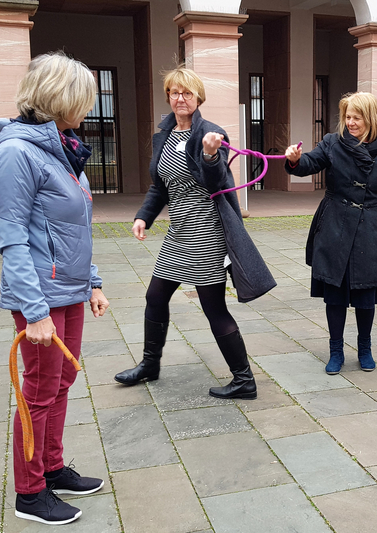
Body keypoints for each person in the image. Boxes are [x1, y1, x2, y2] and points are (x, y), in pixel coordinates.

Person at [0, 51, 110, 525]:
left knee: (63, 381)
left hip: (70, 291)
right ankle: (30, 492)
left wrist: (93, 282)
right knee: (38, 391)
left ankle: (52, 467)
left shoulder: (64, 148)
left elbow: (77, 227)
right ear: (62, 98)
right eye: (85, 98)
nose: (89, 107)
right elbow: (13, 238)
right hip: (40, 295)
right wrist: (34, 310)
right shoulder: (17, 153)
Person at [114, 66, 275, 399]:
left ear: (198, 97)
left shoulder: (212, 133)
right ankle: (149, 365)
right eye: (173, 92)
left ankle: (244, 380)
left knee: (213, 307)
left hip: (207, 230)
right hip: (178, 231)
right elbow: (160, 185)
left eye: (186, 93)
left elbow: (217, 181)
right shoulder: (165, 135)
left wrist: (210, 153)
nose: (179, 98)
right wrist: (144, 216)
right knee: (155, 297)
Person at [284, 92, 377, 374]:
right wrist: (296, 160)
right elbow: (308, 164)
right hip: (334, 224)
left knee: (365, 294)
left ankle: (364, 347)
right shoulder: (332, 143)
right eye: (347, 117)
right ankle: (335, 349)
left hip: (371, 227)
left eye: (356, 117)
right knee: (334, 294)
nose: (350, 122)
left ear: (370, 118)